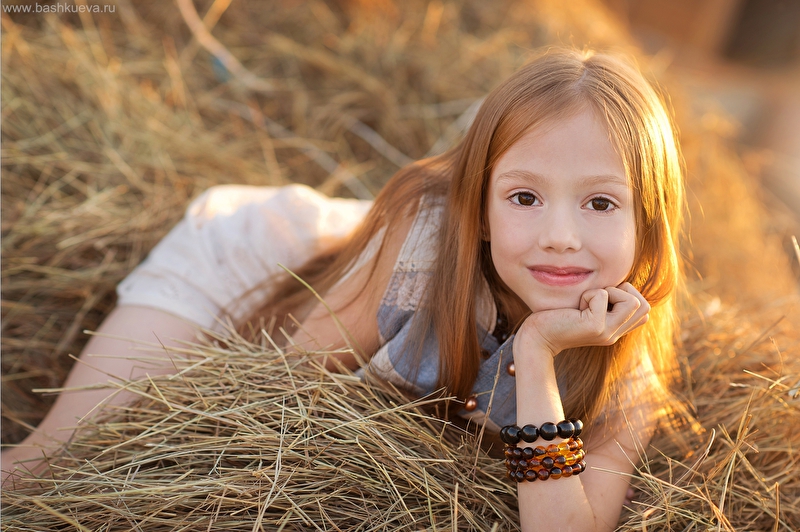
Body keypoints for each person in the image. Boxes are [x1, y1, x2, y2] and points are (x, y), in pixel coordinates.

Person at [2, 48, 685, 531]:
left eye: (601, 203)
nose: (560, 236)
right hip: (257, 262)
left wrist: (535, 353)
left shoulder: (629, 377)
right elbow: (278, 384)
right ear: (477, 207)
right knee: (45, 466)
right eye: (525, 197)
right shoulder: (424, 247)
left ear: (647, 224)